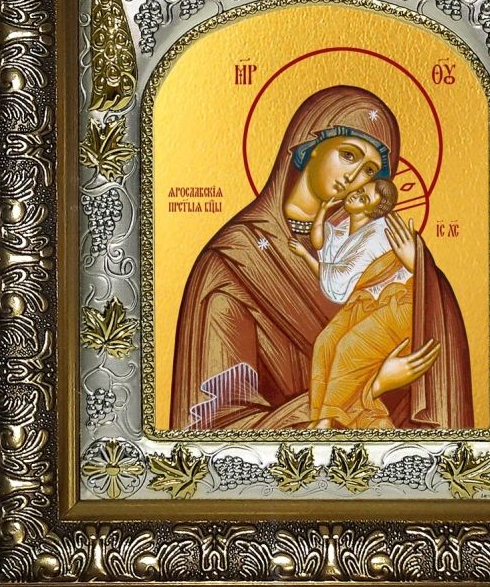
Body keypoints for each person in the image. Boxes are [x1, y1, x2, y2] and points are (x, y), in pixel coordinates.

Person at [169, 85, 474, 431]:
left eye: (370, 171)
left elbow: (429, 372)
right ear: (310, 146)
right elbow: (216, 426)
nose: (355, 177)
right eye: (349, 155)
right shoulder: (234, 262)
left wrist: (423, 271)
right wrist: (370, 388)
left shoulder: (380, 245)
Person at [289, 179, 416, 429]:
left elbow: (336, 285)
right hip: (368, 301)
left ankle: (326, 421)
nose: (355, 195)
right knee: (325, 342)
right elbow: (323, 245)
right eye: (359, 191)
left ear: (373, 210)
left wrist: (304, 256)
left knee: (348, 348)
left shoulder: (376, 236)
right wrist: (322, 210)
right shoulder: (347, 226)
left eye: (364, 198)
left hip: (398, 304)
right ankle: (319, 419)